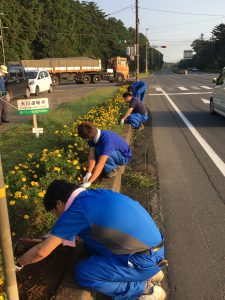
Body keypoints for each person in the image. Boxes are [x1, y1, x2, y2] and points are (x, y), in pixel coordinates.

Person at [16, 179, 167, 300]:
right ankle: (148, 272)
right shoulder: (95, 195)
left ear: (59, 203)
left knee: (84, 273)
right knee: (88, 246)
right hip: (154, 250)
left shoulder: (76, 211)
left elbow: (42, 251)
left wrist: (18, 263)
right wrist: (54, 235)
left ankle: (143, 289)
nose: (57, 217)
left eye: (54, 212)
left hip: (142, 260)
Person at [77, 122, 132, 188]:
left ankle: (113, 169)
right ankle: (106, 166)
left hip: (124, 157)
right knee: (97, 150)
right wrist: (88, 172)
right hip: (112, 152)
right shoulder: (93, 135)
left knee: (100, 150)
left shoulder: (107, 140)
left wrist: (89, 182)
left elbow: (101, 164)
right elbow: (91, 156)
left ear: (86, 138)